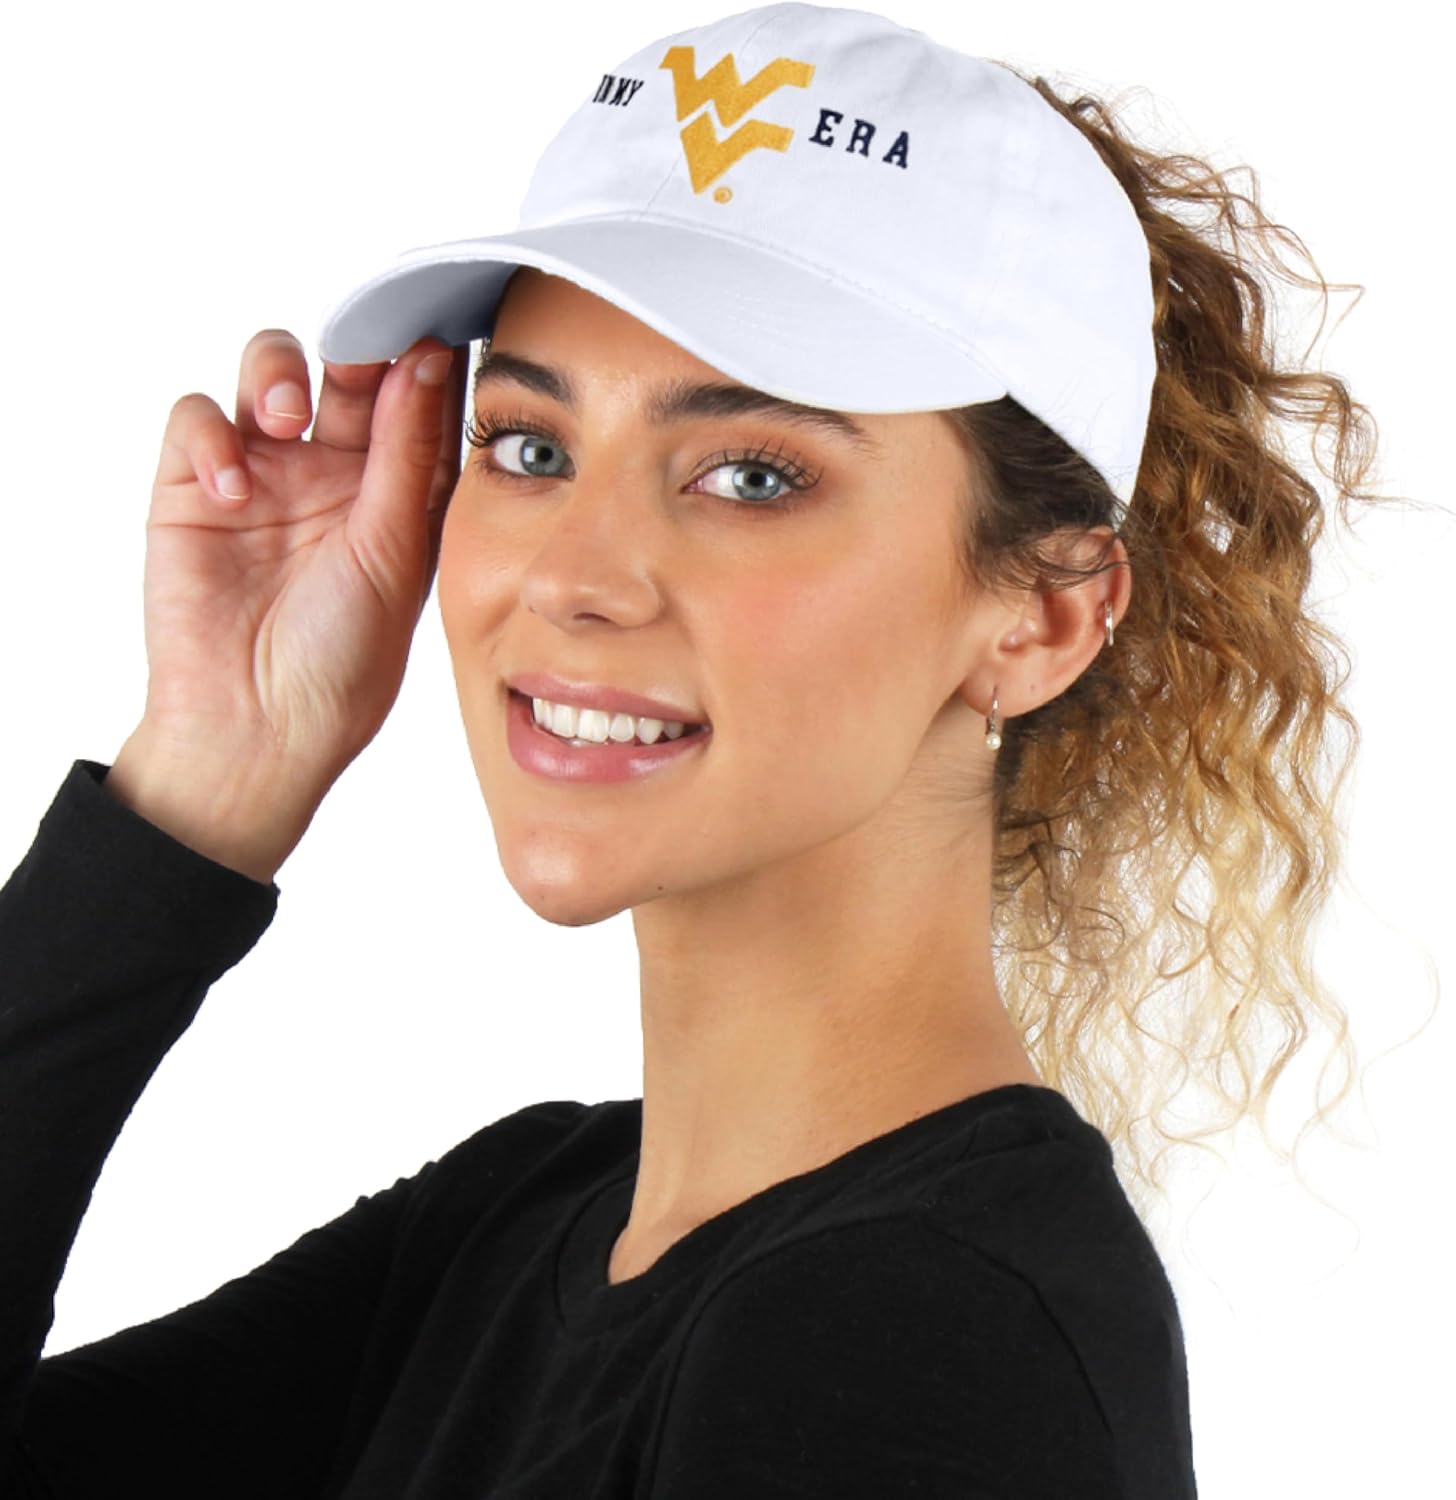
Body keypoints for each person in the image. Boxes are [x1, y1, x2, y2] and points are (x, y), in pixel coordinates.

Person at [0, 4, 1397, 1496]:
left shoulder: (920, 1344)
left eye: (749, 475)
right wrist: (204, 776)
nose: (574, 575)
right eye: (531, 448)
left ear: (1044, 619)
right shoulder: (513, 1228)